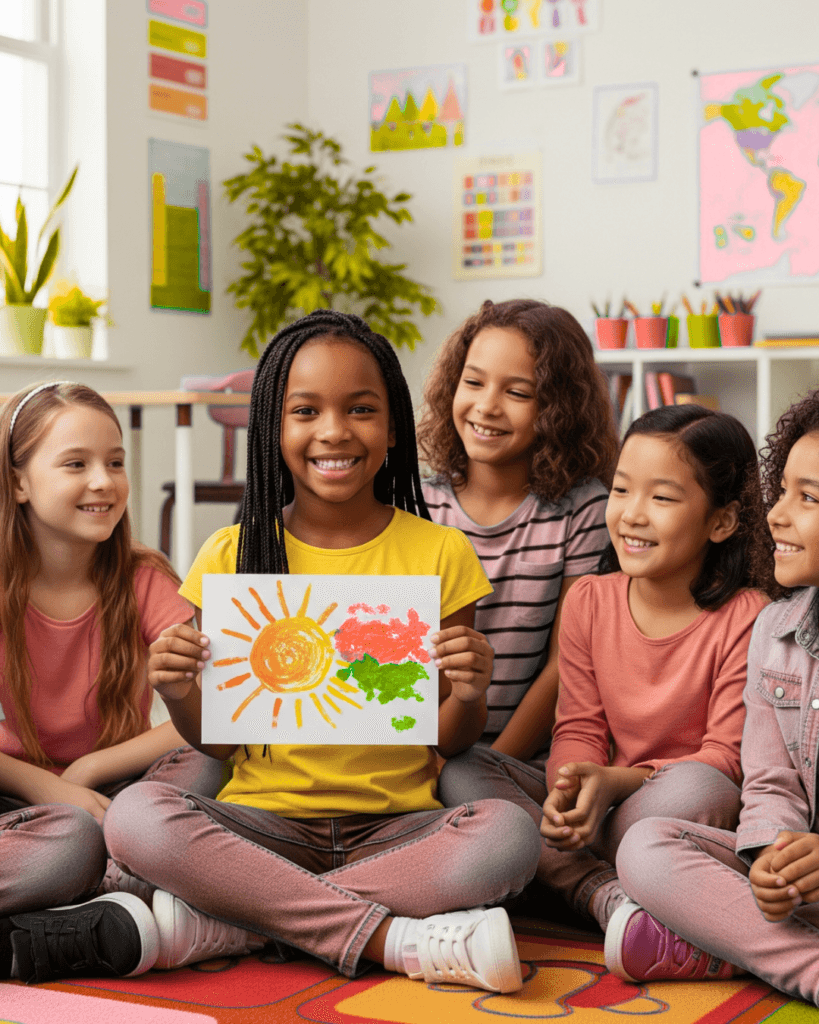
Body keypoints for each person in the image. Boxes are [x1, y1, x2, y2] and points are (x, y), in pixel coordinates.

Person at [44, 310, 550, 993]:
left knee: (509, 837)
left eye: (361, 410)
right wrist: (176, 689)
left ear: (393, 425)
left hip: (395, 826)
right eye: (305, 411)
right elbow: (216, 747)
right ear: (272, 430)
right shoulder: (231, 554)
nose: (334, 431)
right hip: (261, 824)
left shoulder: (438, 552)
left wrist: (467, 691)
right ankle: (386, 934)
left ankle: (237, 920)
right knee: (138, 818)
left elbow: (448, 738)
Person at [441, 403, 777, 935]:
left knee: (703, 787)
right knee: (461, 769)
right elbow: (578, 728)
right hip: (598, 808)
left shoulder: (749, 615)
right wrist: (568, 792)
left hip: (658, 811)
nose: (632, 514)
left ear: (722, 521)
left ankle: (558, 876)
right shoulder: (590, 601)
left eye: (662, 497)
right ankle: (602, 892)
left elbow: (726, 758)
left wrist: (612, 785)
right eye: (621, 490)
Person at [0, 381, 223, 984]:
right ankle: (115, 895)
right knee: (70, 841)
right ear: (18, 482)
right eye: (76, 464)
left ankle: (91, 898)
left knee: (211, 768)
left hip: (118, 794)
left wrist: (89, 773)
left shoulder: (145, 577)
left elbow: (209, 710)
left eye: (115, 463)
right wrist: (56, 790)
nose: (104, 481)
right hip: (19, 805)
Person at [604, 388, 819, 1000]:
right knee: (648, 846)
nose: (775, 515)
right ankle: (799, 960)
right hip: (798, 889)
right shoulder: (777, 632)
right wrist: (772, 854)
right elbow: (771, 782)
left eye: (807, 499)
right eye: (782, 491)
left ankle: (742, 947)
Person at [418, 299, 616, 766]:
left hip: (516, 759)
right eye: (473, 382)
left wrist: (494, 763)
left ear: (558, 409)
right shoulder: (418, 503)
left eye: (519, 393)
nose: (486, 406)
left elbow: (565, 667)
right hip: (419, 755)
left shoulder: (583, 509)